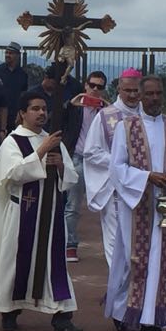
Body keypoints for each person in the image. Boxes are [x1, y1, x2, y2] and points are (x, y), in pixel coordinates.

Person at [106, 75, 166, 331]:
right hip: (137, 206)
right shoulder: (127, 127)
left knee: (163, 264)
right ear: (140, 97)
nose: (155, 99)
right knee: (135, 261)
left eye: (159, 94)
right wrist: (146, 177)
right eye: (150, 94)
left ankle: (152, 324)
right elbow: (117, 167)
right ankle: (124, 313)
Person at [0, 91, 82, 331]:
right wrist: (40, 152)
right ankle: (10, 309)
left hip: (50, 213)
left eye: (44, 109)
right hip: (22, 214)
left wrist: (60, 165)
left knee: (54, 263)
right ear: (22, 113)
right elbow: (14, 174)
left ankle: (62, 317)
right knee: (16, 261)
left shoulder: (53, 140)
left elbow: (71, 177)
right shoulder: (13, 141)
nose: (41, 113)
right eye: (35, 108)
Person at [82, 69, 143, 267]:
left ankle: (138, 288)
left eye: (136, 90)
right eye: (128, 90)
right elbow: (91, 151)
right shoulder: (106, 116)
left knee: (141, 239)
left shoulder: (148, 115)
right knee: (116, 241)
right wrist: (122, 161)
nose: (132, 95)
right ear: (119, 89)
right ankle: (118, 288)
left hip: (143, 187)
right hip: (115, 188)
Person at [60, 71, 109, 263]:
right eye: (92, 85)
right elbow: (55, 117)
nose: (95, 90)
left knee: (108, 204)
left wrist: (109, 107)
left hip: (100, 162)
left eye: (100, 87)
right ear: (86, 85)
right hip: (78, 158)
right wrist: (71, 103)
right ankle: (70, 245)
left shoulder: (106, 112)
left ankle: (111, 245)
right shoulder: (75, 107)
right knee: (73, 204)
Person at [0, 41, 28, 129]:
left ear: (17, 55)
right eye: (6, 53)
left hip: (15, 115)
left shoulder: (22, 74)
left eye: (11, 53)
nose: (7, 55)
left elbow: (23, 94)